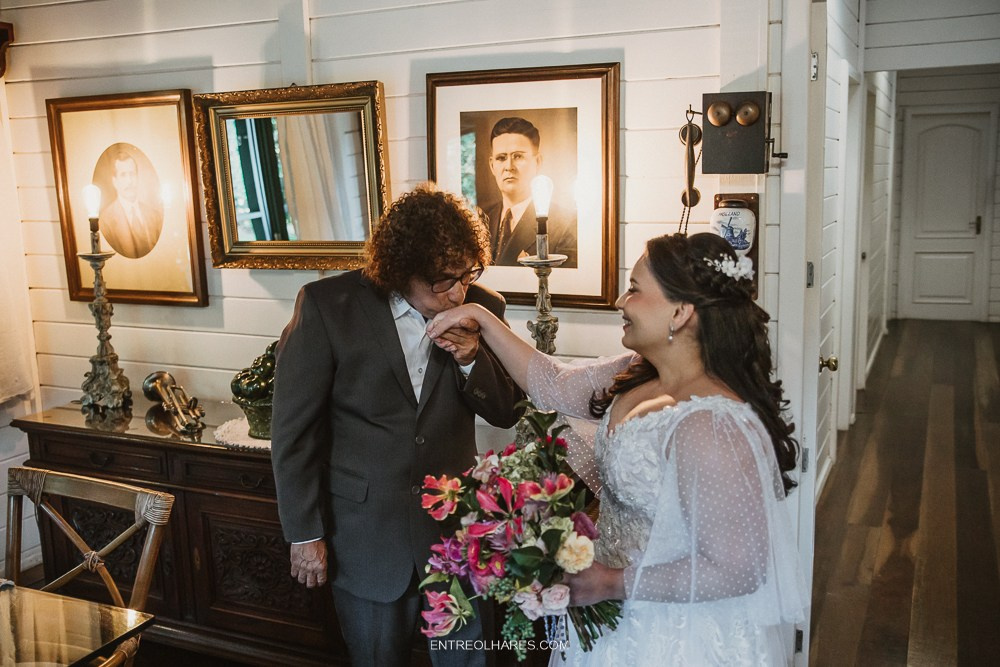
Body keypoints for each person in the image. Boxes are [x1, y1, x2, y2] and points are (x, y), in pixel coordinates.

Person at [427, 232, 809, 665]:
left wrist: (611, 582)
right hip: (612, 619)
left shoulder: (713, 423)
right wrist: (481, 315)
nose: (620, 303)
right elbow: (552, 384)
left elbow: (739, 569)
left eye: (635, 289)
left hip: (677, 635)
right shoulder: (637, 372)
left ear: (681, 312)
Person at [270, 183, 524, 667]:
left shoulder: (483, 307)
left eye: (466, 274)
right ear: (402, 269)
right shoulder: (329, 306)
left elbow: (507, 409)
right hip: (366, 539)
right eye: (441, 281)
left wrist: (473, 359)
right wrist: (304, 534)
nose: (457, 292)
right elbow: (293, 431)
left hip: (454, 533)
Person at [484, 117, 578, 267]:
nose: (509, 166)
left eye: (518, 156)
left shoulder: (565, 225)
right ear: (492, 165)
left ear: (538, 162)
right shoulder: (482, 219)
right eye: (501, 158)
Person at [98, 150, 163, 259]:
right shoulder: (105, 221)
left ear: (137, 177)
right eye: (123, 175)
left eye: (132, 174)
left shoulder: (154, 215)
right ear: (115, 181)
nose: (129, 181)